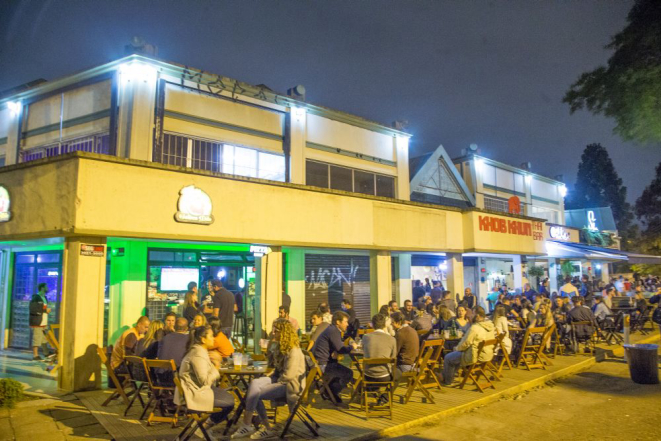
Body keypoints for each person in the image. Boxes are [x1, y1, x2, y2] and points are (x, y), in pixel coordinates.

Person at [231, 319, 305, 439]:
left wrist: (271, 382)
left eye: (276, 330)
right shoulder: (281, 346)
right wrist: (271, 347)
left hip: (290, 385)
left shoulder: (294, 350)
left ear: (284, 332)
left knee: (256, 394)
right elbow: (273, 367)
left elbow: (289, 376)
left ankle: (255, 425)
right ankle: (251, 425)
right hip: (279, 379)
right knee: (254, 383)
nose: (273, 332)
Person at [175, 325, 235, 437]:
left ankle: (202, 426)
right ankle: (204, 426)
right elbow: (205, 381)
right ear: (203, 339)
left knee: (229, 397)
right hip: (194, 394)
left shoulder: (199, 350)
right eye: (211, 336)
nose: (214, 339)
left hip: (195, 390)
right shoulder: (198, 354)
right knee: (230, 403)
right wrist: (216, 365)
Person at [441, 307, 495, 386]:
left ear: (478, 316)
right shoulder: (490, 326)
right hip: (487, 354)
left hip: (474, 355)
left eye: (472, 313)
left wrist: (457, 349)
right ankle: (447, 376)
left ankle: (447, 381)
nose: (470, 315)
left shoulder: (475, 328)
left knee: (448, 357)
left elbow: (465, 343)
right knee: (454, 356)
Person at [312, 311, 357, 403]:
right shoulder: (334, 331)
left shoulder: (331, 329)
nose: (347, 324)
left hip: (319, 362)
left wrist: (335, 351)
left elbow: (336, 347)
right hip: (323, 365)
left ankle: (329, 391)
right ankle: (330, 392)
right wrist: (352, 347)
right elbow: (341, 349)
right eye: (345, 322)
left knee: (339, 369)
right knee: (348, 373)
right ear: (338, 322)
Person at [362, 314, 397, 405]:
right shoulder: (392, 339)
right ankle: (384, 398)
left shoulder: (366, 337)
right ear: (385, 325)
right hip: (384, 377)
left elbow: (364, 352)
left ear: (373, 325)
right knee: (398, 374)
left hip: (368, 376)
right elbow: (393, 357)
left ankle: (372, 392)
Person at [29, 283, 52, 361]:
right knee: (37, 338)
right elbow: (33, 309)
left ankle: (46, 353)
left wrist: (46, 310)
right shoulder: (36, 297)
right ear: (42, 288)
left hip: (44, 321)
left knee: (44, 338)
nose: (47, 288)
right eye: (46, 287)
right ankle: (35, 355)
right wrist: (45, 310)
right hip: (37, 322)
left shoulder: (44, 297)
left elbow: (42, 308)